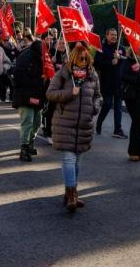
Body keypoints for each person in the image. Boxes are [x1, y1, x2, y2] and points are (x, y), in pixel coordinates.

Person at [47, 42, 102, 212]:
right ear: (73, 58)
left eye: (86, 58)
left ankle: (69, 191)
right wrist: (70, 93)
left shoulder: (92, 75)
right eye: (80, 58)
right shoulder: (63, 74)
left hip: (84, 125)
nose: (84, 61)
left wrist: (95, 107)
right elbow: (50, 94)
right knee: (69, 159)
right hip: (65, 123)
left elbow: (98, 96)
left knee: (77, 160)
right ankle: (72, 193)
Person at [12, 35, 50, 161]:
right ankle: (24, 148)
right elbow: (17, 75)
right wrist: (37, 80)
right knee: (27, 122)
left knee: (37, 122)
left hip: (38, 94)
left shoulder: (45, 59)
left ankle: (30, 143)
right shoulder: (25, 57)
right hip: (25, 95)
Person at [94, 28, 127, 138]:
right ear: (107, 35)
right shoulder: (101, 49)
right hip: (107, 83)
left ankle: (117, 129)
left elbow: (126, 60)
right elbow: (96, 64)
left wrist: (120, 58)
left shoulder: (121, 48)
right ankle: (99, 123)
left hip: (119, 83)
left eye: (115, 35)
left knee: (118, 107)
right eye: (112, 35)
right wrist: (110, 62)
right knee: (107, 104)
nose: (114, 37)